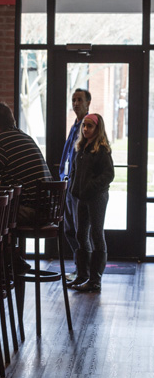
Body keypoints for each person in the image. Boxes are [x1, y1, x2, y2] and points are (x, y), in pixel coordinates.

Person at [0, 103, 52, 225]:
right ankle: (2, 244)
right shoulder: (25, 137)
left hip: (31, 211)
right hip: (49, 208)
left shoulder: (0, 140)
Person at [69, 113, 114, 293]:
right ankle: (83, 275)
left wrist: (91, 187)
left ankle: (95, 280)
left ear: (97, 128)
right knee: (81, 234)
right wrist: (75, 189)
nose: (86, 129)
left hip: (97, 197)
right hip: (82, 197)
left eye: (90, 126)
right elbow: (76, 172)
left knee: (96, 234)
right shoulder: (82, 147)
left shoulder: (101, 149)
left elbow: (108, 174)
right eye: (84, 126)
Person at [60, 89, 91, 280]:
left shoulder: (88, 125)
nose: (76, 103)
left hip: (79, 188)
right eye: (73, 100)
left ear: (88, 102)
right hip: (68, 184)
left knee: (81, 232)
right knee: (69, 229)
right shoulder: (75, 126)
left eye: (80, 100)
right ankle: (79, 268)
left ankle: (85, 272)